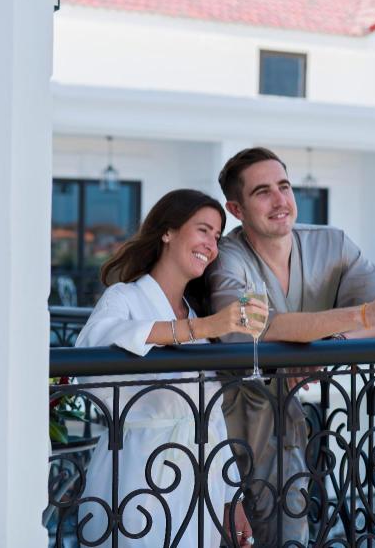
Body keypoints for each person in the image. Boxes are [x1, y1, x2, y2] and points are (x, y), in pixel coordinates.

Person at [206, 147, 375, 546]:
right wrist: (360, 316)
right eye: (262, 192)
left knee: (290, 534)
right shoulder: (228, 258)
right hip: (224, 428)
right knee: (226, 537)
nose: (280, 201)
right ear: (236, 210)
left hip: (290, 426)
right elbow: (246, 328)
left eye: (284, 186)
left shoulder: (332, 245)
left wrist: (330, 346)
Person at [74, 189, 265, 547]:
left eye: (217, 236)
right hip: (139, 475)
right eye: (203, 230)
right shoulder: (125, 297)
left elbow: (212, 419)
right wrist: (204, 327)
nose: (211, 244)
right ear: (167, 232)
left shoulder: (194, 312)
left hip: (200, 480)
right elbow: (91, 349)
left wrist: (231, 498)